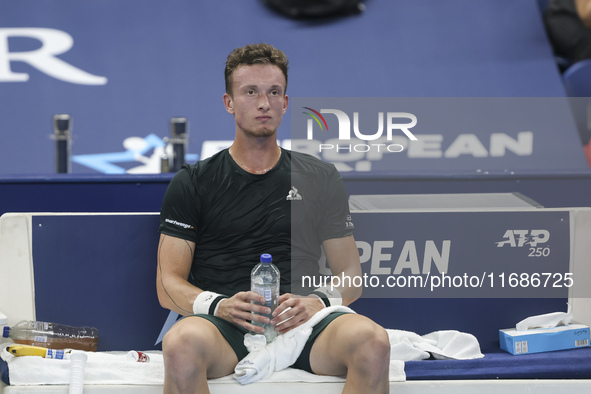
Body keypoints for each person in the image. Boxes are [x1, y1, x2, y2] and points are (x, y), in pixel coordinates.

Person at [156, 43, 390, 394]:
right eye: (250, 92)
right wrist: (219, 305)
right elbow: (166, 285)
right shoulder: (193, 181)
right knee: (180, 345)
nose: (264, 103)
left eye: (274, 92)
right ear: (229, 103)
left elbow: (352, 275)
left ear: (285, 102)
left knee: (373, 342)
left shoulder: (320, 177)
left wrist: (318, 301)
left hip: (305, 325)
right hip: (223, 327)